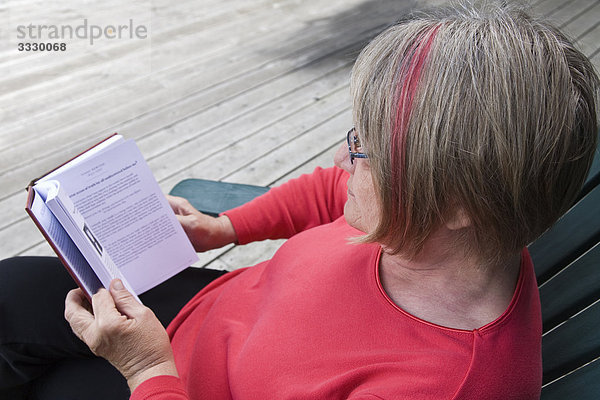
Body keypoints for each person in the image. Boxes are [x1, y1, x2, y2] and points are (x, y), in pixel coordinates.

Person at [1, 1, 598, 399]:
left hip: (178, 379)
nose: (344, 160)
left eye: (364, 149)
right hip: (210, 312)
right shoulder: (438, 222)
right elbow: (329, 190)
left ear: (455, 203)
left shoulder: (438, 384)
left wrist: (147, 370)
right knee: (10, 292)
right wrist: (225, 227)